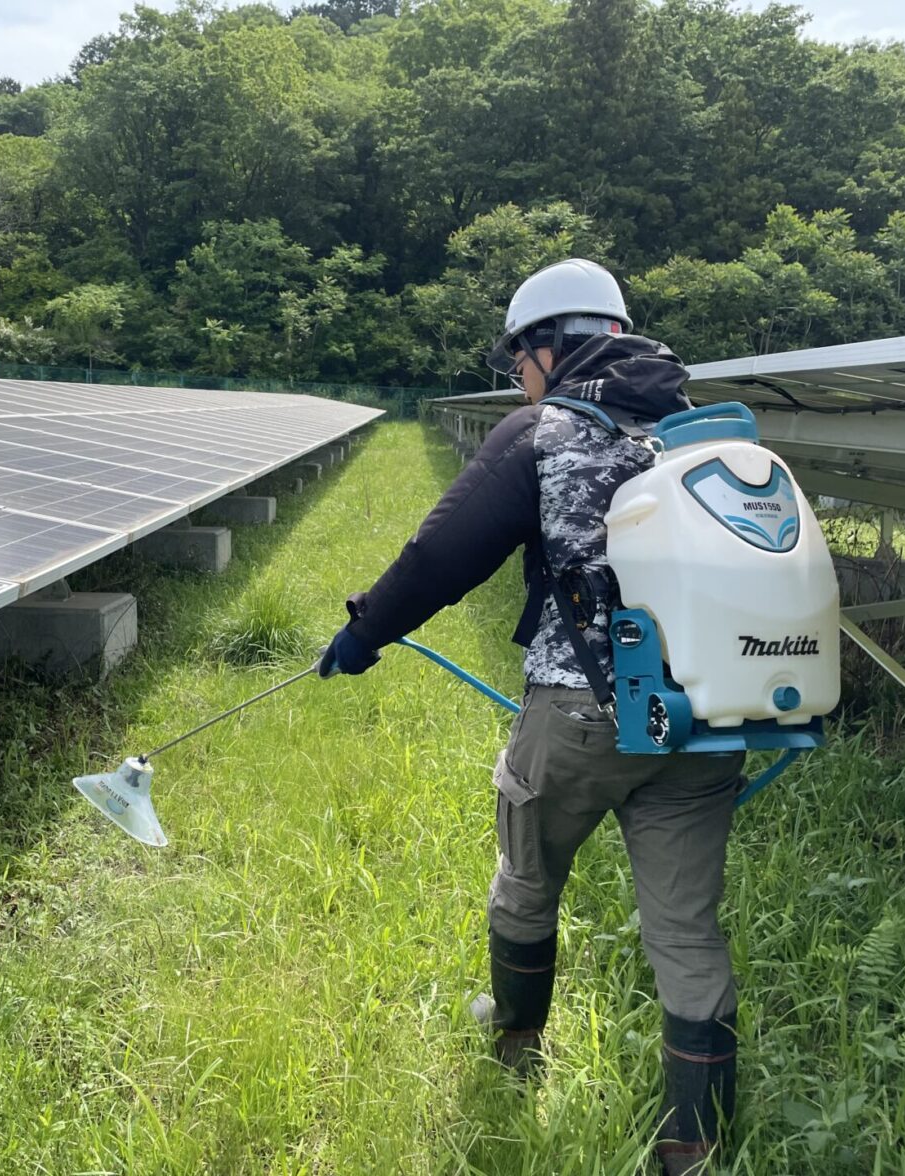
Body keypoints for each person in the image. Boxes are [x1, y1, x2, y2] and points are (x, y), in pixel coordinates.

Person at [318, 258, 743, 1176]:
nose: (519, 376)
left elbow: (440, 556)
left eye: (520, 359)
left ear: (551, 344)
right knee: (686, 928)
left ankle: (516, 1047)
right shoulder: (700, 438)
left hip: (583, 712)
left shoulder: (544, 432)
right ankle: (694, 1148)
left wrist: (365, 633)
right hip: (709, 718)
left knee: (526, 876)